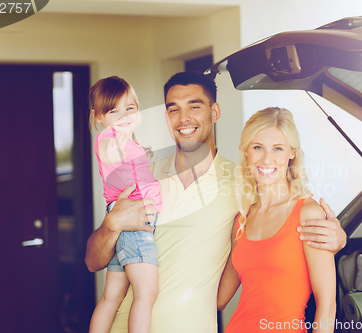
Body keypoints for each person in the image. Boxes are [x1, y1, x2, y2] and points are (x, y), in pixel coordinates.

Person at [84, 72, 346, 333]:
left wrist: (337, 237)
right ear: (167, 117)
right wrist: (111, 225)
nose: (184, 118)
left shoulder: (244, 186)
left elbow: (284, 209)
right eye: (174, 109)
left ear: (215, 112)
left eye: (195, 107)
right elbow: (93, 262)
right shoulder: (142, 174)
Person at [217, 107, 335, 332]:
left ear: (291, 153)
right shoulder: (242, 219)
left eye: (277, 148)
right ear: (247, 153)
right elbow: (219, 299)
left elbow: (327, 305)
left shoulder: (308, 213)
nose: (267, 158)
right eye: (258, 147)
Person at [88, 76, 162, 333]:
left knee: (113, 295)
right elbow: (112, 154)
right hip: (131, 216)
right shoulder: (109, 139)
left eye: (130, 108)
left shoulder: (129, 143)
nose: (123, 116)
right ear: (98, 117)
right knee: (147, 291)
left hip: (125, 213)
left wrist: (142, 152)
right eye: (113, 111)